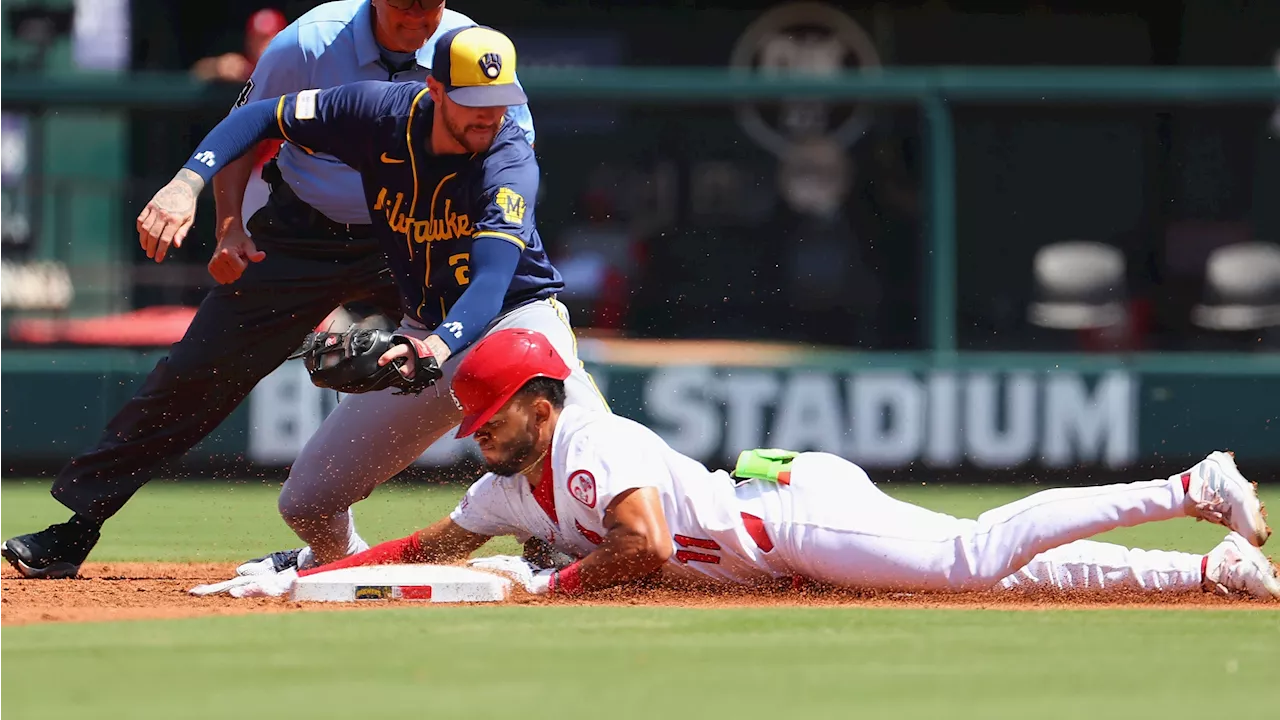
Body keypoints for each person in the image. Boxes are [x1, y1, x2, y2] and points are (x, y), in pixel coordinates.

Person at [2, 0, 536, 580]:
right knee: (199, 370)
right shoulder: (308, 43)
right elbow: (251, 123)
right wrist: (225, 219)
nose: (419, 17)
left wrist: (444, 327)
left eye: (429, 5)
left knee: (508, 354)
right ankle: (76, 527)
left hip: (419, 232)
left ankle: (561, 517)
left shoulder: (471, 51)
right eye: (406, 4)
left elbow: (508, 170)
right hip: (306, 229)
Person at [191, 328, 1280, 602]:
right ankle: (1206, 575)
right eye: (471, 419)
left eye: (489, 414)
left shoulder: (593, 441)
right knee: (1018, 575)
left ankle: (1188, 487)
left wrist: (550, 585)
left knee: (972, 554)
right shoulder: (499, 484)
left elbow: (646, 546)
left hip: (784, 522)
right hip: (777, 526)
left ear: (540, 401)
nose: (475, 429)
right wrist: (318, 575)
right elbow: (429, 545)